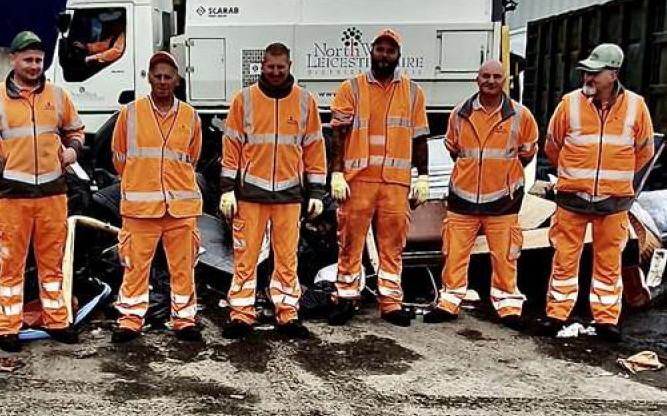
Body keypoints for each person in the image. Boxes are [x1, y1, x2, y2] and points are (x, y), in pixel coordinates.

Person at [0, 31, 85, 352]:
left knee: (52, 263)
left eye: (39, 59)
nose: (35, 66)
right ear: (14, 60)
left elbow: (76, 129)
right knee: (12, 263)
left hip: (52, 194)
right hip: (12, 197)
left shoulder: (58, 97)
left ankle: (56, 321)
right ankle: (8, 327)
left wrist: (73, 150)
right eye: (28, 60)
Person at [539, 43, 654, 342]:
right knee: (564, 260)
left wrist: (613, 181)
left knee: (608, 263)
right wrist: (576, 177)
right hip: (572, 200)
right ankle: (556, 314)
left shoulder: (636, 107)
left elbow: (643, 153)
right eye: (586, 72)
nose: (587, 78)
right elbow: (552, 146)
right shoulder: (569, 104)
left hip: (613, 203)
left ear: (613, 74)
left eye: (594, 72)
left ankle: (605, 319)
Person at [219, 42, 327, 340]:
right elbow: (231, 147)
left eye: (281, 67)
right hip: (250, 194)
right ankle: (241, 314)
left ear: (289, 66)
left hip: (290, 196)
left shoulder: (306, 101)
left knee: (287, 258)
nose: (276, 72)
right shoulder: (244, 100)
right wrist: (227, 189)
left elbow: (314, 149)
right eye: (270, 67)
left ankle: (288, 313)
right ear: (262, 66)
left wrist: (317, 192)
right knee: (246, 257)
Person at [423, 60, 538, 329]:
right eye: (485, 76)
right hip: (462, 201)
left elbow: (528, 153)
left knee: (505, 256)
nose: (490, 81)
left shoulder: (521, 116)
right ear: (477, 79)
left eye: (496, 76)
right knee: (454, 254)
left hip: (503, 202)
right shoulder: (459, 114)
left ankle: (508, 306)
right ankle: (449, 302)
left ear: (504, 80)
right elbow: (453, 149)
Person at [328, 28, 429, 327]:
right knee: (349, 242)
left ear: (398, 55)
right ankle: (345, 298)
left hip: (395, 183)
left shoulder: (413, 92)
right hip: (358, 180)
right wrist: (336, 172)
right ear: (371, 51)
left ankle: (390, 302)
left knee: (393, 245)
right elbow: (338, 133)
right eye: (380, 49)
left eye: (390, 51)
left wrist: (422, 176)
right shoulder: (352, 88)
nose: (384, 55)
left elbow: (420, 138)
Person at [110, 51, 204, 343]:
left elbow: (193, 157)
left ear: (177, 80)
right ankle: (130, 319)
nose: (162, 81)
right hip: (141, 210)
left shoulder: (191, 116)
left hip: (180, 207)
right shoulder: (131, 113)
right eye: (157, 76)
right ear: (149, 78)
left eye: (168, 77)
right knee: (135, 268)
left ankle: (184, 319)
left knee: (183, 266)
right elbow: (119, 157)